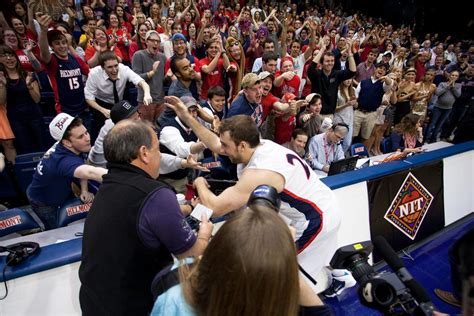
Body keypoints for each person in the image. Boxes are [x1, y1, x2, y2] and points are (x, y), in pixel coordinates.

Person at [165, 95, 341, 280]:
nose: (221, 149)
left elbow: (215, 208)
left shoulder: (260, 171)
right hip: (317, 205)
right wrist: (187, 117)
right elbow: (216, 144)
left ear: (241, 145)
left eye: (226, 145)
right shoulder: (260, 144)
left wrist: (200, 184)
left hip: (317, 220)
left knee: (288, 277)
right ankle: (337, 275)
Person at [79, 120, 213, 316]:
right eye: (157, 149)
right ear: (144, 153)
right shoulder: (156, 194)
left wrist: (184, 208)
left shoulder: (108, 187)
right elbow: (191, 254)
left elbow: (141, 215)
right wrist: (204, 233)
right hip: (133, 306)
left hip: (94, 303)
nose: (159, 156)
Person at [151, 204, 332, 316]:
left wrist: (205, 241)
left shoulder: (173, 283)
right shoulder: (271, 305)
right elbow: (320, 313)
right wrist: (284, 255)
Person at [26, 113, 107, 230]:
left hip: (58, 187)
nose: (87, 138)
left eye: (86, 132)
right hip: (44, 201)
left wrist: (84, 190)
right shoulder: (63, 161)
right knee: (55, 230)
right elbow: (90, 172)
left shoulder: (71, 146)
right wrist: (123, 177)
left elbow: (81, 166)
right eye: (80, 136)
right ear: (67, 142)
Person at [84, 51, 152, 138]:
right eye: (110, 67)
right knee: (107, 132)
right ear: (102, 67)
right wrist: (102, 110)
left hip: (120, 101)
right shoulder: (94, 74)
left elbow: (142, 82)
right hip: (102, 104)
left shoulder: (124, 69)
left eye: (116, 66)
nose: (114, 70)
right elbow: (89, 97)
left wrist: (147, 94)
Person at [307, 37, 356, 117]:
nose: (330, 63)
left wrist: (350, 52)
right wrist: (322, 49)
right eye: (327, 61)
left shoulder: (337, 74)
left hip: (329, 114)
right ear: (321, 63)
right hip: (315, 113)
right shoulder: (316, 74)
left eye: (332, 61)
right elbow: (311, 68)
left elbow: (352, 72)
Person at [131, 30, 167, 122]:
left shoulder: (162, 57)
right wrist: (152, 72)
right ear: (146, 42)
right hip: (145, 101)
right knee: (146, 130)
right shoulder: (138, 55)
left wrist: (170, 77)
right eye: (152, 40)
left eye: (158, 41)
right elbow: (136, 78)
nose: (156, 43)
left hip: (160, 101)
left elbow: (162, 80)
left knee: (159, 129)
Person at [425, 71, 461, 143]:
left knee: (440, 124)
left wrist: (453, 87)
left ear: (458, 77)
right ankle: (426, 138)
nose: (454, 77)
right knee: (432, 123)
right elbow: (438, 93)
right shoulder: (442, 84)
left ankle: (433, 139)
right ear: (449, 76)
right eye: (452, 75)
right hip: (438, 107)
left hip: (448, 108)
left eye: (456, 76)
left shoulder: (458, 85)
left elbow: (458, 95)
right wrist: (448, 86)